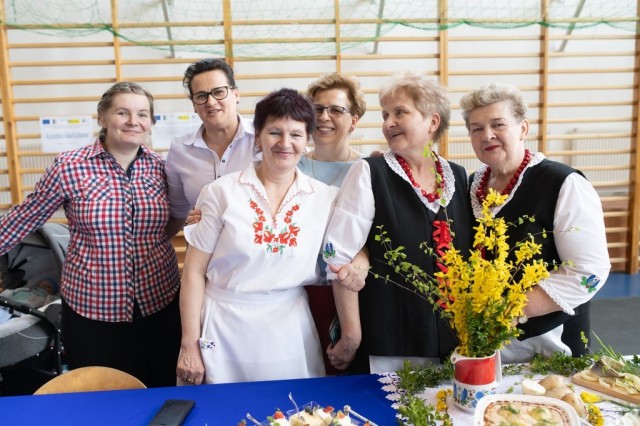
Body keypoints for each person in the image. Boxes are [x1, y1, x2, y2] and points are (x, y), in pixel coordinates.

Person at [176, 88, 364, 385]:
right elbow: (194, 273)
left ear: (307, 139)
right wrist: (189, 343)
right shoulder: (221, 192)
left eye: (296, 134)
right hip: (223, 324)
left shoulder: (326, 198)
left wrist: (359, 265)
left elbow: (346, 249)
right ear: (258, 138)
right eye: (275, 132)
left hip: (289, 327)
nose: (285, 143)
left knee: (292, 406)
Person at [0, 82, 181, 387]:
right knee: (101, 393)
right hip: (93, 309)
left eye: (142, 114)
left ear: (151, 122)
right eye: (122, 112)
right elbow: (25, 216)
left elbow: (177, 217)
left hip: (158, 303)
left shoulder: (162, 168)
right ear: (102, 117)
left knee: (160, 390)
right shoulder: (70, 166)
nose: (133, 121)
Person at [322, 72, 474, 374]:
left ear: (432, 122)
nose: (388, 123)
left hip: (454, 345)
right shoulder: (369, 172)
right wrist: (351, 338)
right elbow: (338, 257)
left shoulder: (458, 176)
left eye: (400, 113)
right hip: (389, 345)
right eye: (385, 115)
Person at [460, 83, 611, 363]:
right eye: (476, 128)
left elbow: (590, 272)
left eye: (498, 124)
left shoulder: (564, 183)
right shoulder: (470, 186)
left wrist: (511, 310)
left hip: (551, 346)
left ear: (523, 129)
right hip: (485, 346)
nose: (487, 135)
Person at [300, 72, 369, 374]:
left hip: (347, 293)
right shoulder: (290, 164)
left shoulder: (368, 169)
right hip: (297, 290)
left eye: (336, 110)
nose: (324, 117)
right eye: (317, 109)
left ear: (353, 121)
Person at [165, 58, 258, 236]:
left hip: (257, 247)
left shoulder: (263, 138)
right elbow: (178, 212)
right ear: (194, 104)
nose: (211, 102)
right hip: (203, 248)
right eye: (201, 96)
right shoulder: (180, 149)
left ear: (236, 94)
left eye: (219, 92)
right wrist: (188, 220)